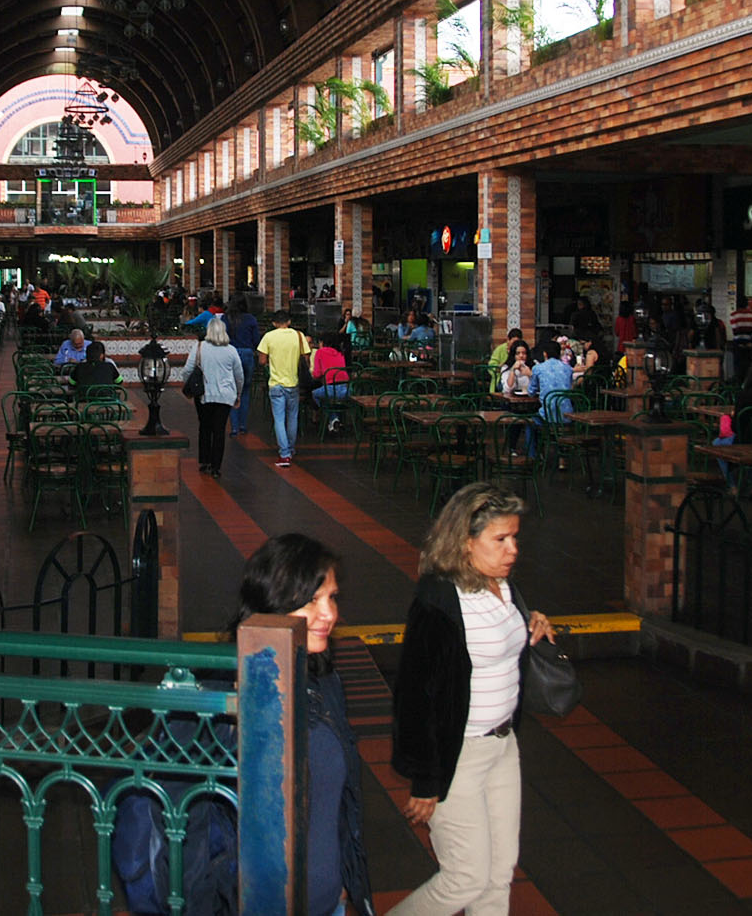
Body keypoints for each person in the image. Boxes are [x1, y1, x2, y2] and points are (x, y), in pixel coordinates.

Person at [390, 484, 555, 916]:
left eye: (515, 538)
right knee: (465, 878)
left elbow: (503, 640)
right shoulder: (439, 600)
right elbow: (413, 697)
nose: (513, 549)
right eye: (500, 540)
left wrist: (531, 621)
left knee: (498, 877)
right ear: (465, 542)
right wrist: (427, 780)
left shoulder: (504, 588)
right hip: (457, 756)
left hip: (503, 748)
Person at [228, 535, 374, 916]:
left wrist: (343, 879)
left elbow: (339, 803)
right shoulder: (234, 698)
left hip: (329, 902)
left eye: (332, 598)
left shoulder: (324, 680)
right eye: (312, 601)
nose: (329, 614)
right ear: (274, 603)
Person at [192, 316, 246, 477]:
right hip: (225, 395)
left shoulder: (199, 347)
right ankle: (216, 467)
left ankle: (205, 460)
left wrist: (189, 387)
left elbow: (188, 370)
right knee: (219, 430)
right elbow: (239, 375)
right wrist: (238, 394)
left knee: (204, 426)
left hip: (204, 395)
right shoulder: (231, 350)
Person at [257, 309, 311, 468]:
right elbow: (306, 358)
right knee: (292, 417)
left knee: (279, 419)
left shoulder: (269, 337)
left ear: (274, 323)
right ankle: (291, 449)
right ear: (289, 322)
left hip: (275, 384)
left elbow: (261, 360)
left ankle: (284, 453)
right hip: (293, 382)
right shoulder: (299, 336)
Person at [227, 298, 261, 437]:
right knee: (245, 390)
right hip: (247, 355)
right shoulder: (251, 319)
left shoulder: (226, 318)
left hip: (231, 354)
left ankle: (234, 427)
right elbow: (257, 340)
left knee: (232, 391)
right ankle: (243, 426)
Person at [311, 333, 350, 434]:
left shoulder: (320, 352)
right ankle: (335, 422)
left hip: (331, 390)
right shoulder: (340, 353)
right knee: (331, 398)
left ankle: (333, 418)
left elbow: (317, 374)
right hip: (347, 390)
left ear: (323, 342)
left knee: (315, 394)